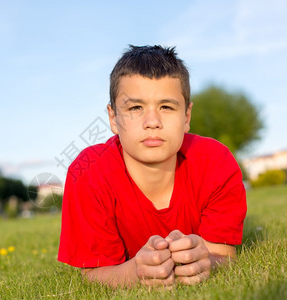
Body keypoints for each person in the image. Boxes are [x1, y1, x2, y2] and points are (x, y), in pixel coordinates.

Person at [58, 45, 247, 288]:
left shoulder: (215, 162)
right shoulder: (87, 171)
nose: (152, 122)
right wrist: (135, 272)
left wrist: (206, 260)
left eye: (166, 107)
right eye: (135, 108)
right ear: (113, 118)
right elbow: (94, 274)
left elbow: (223, 255)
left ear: (186, 117)